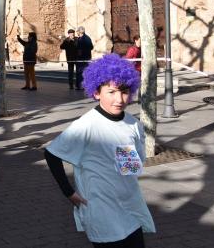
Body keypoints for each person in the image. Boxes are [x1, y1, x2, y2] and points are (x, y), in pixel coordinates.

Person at [44, 54, 154, 247]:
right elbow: (52, 154)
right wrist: (69, 193)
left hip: (130, 208)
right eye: (111, 92)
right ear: (96, 93)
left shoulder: (133, 124)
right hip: (102, 211)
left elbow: (131, 168)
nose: (119, 99)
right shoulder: (87, 124)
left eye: (124, 91)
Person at [75, 26, 94, 90]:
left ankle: (82, 86)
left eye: (77, 31)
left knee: (82, 72)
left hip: (83, 58)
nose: (76, 32)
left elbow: (91, 47)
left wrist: (83, 51)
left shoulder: (86, 38)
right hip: (81, 58)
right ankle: (79, 85)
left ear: (80, 31)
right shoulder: (79, 38)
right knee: (79, 72)